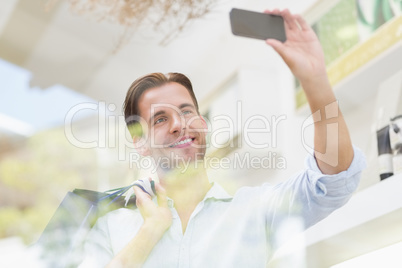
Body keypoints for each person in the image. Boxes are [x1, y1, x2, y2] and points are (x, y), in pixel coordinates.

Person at [79, 9, 366, 267]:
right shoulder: (111, 226)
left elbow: (333, 180)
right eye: (161, 119)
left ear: (202, 123)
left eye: (186, 111)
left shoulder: (255, 213)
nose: (180, 124)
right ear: (140, 142)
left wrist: (314, 80)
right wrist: (151, 230)